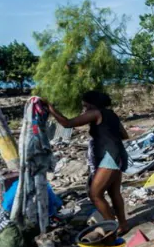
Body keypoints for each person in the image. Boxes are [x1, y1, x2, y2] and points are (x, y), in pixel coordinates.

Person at [43, 91, 130, 234]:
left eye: (85, 105)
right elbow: (124, 135)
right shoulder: (112, 114)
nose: (84, 109)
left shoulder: (95, 112)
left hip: (109, 156)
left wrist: (50, 108)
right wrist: (107, 134)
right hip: (119, 154)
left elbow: (67, 123)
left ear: (91, 104)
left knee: (95, 194)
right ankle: (123, 224)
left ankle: (113, 227)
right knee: (114, 193)